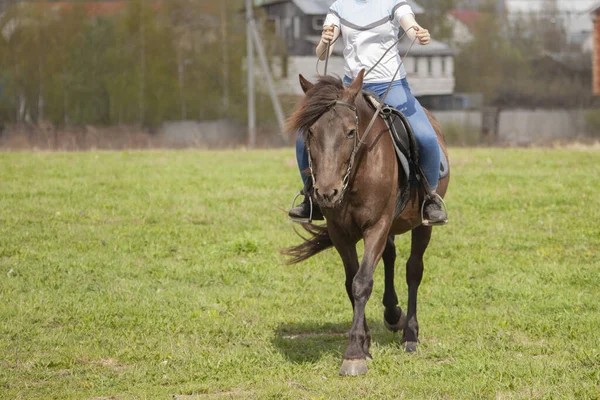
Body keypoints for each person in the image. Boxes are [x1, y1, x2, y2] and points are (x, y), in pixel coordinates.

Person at [288, 0, 447, 225]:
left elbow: (409, 26)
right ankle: (310, 198)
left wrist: (418, 34)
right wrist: (324, 43)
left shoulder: (394, 3)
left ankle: (430, 199)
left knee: (425, 136)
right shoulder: (339, 7)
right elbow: (323, 53)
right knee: (302, 136)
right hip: (350, 90)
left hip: (391, 86)